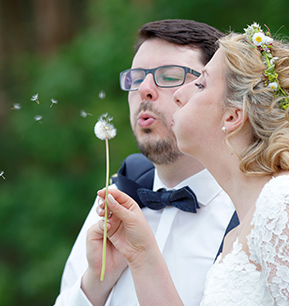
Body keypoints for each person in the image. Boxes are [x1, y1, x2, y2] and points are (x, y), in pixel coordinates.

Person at [95, 22, 289, 305]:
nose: (178, 95)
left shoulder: (279, 202)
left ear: (233, 116)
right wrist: (141, 256)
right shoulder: (237, 235)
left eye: (200, 84)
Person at [54, 19, 237, 306]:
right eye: (136, 78)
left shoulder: (248, 212)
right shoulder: (116, 195)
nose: (144, 90)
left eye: (169, 76)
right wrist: (96, 282)